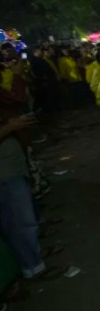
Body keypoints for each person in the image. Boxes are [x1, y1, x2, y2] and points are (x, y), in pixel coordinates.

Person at [0, 114, 65, 282]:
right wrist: (10, 127)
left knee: (25, 217)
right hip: (4, 174)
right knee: (18, 222)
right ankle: (33, 268)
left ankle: (34, 252)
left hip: (13, 167)